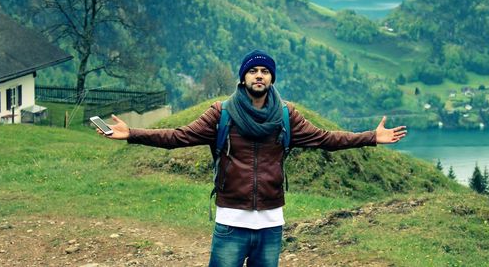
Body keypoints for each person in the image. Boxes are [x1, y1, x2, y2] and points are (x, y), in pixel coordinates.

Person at [97, 50, 407, 267]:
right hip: (231, 220)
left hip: (271, 222)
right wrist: (133, 133)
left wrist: (370, 137)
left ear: (271, 78)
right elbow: (178, 137)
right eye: (253, 71)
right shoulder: (221, 113)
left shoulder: (287, 115)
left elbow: (326, 139)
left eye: (265, 71)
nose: (259, 76)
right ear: (243, 77)